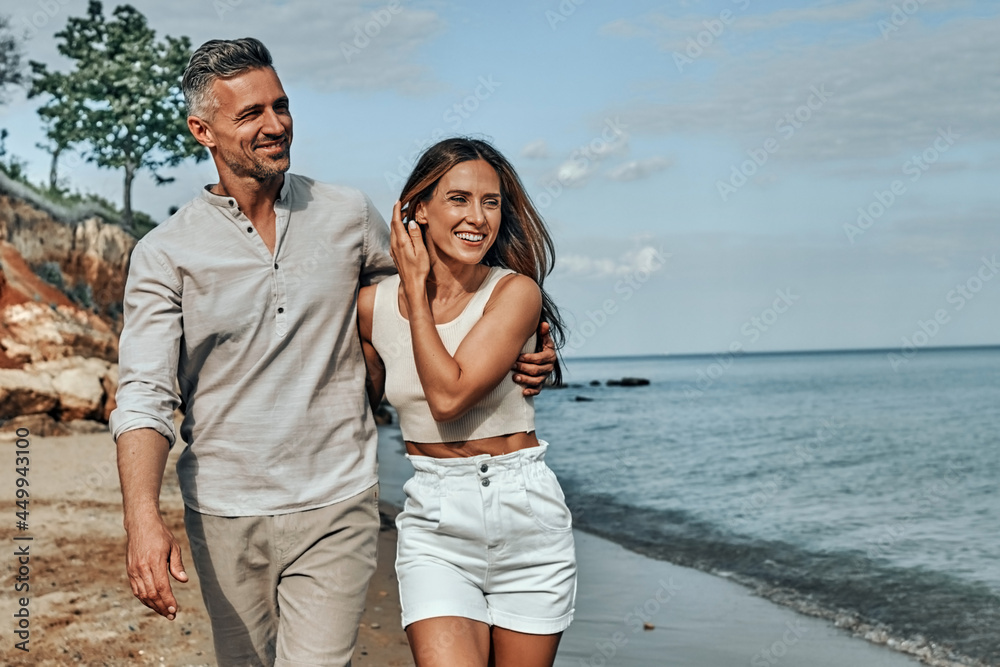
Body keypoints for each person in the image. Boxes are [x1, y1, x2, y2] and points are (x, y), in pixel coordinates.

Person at [110, 38, 556, 667]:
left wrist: (529, 346)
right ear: (201, 130)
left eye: (281, 106)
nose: (276, 125)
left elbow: (439, 289)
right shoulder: (164, 253)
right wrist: (143, 520)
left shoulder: (345, 214)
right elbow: (146, 395)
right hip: (225, 508)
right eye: (251, 114)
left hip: (339, 502)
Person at [357, 138, 577, 667]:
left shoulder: (515, 293)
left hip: (525, 515)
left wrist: (413, 286)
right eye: (458, 199)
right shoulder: (370, 308)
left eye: (491, 202)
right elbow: (348, 403)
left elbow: (449, 395)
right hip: (435, 520)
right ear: (418, 209)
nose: (478, 217)